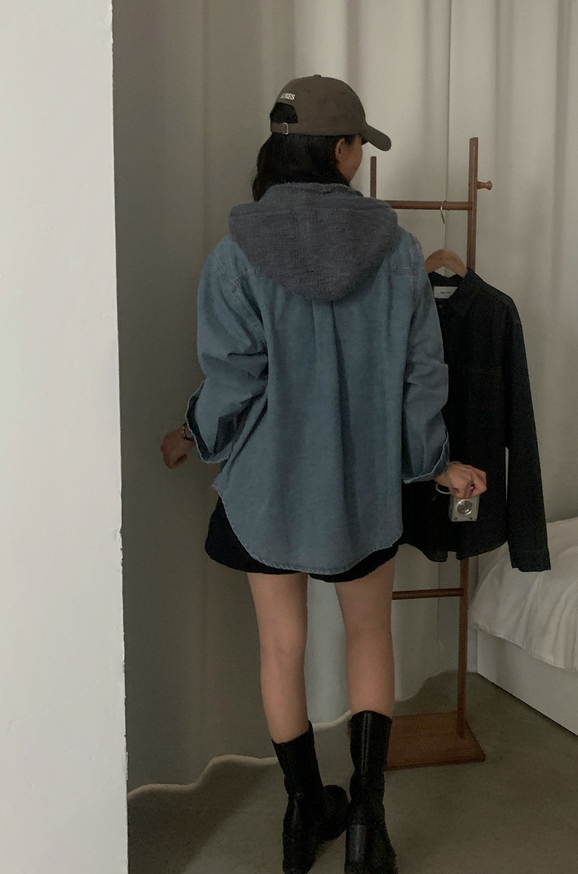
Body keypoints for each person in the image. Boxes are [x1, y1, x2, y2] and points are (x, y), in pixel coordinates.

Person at [160, 75, 487, 874]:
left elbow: (233, 381)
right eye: (356, 146)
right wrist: (429, 462)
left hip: (264, 491)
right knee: (369, 633)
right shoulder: (399, 252)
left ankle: (303, 809)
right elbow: (422, 377)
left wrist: (195, 432)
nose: (358, 158)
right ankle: (367, 825)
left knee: (282, 646)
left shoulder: (235, 252)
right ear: (340, 150)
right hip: (362, 488)